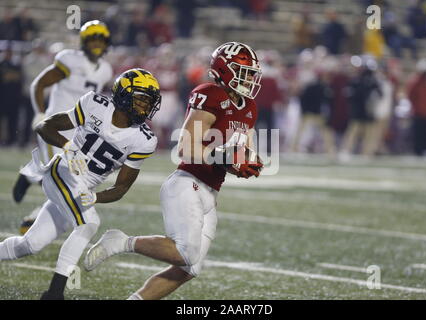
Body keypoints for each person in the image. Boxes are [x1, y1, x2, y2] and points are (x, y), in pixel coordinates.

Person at [84, 42, 264, 300]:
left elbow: (244, 151)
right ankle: (122, 241)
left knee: (190, 268)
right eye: (243, 71)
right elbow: (186, 148)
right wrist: (226, 158)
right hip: (187, 182)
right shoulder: (210, 94)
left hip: (210, 193)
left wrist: (248, 163)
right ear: (224, 70)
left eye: (251, 73)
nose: (249, 79)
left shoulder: (249, 107)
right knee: (186, 254)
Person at [0, 68, 162, 300]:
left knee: (30, 245)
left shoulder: (144, 140)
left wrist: (97, 197)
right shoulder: (95, 104)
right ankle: (54, 293)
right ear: (124, 95)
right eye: (141, 100)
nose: (145, 107)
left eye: (149, 102)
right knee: (89, 222)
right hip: (61, 171)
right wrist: (68, 147)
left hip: (81, 189)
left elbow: (121, 188)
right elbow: (43, 126)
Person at [12, 20, 113, 234]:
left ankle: (31, 177)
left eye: (100, 39)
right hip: (55, 127)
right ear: (84, 41)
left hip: (80, 131)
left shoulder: (106, 69)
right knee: (60, 177)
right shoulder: (70, 60)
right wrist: (39, 113)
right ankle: (34, 218)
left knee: (75, 178)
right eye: (92, 39)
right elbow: (39, 84)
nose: (97, 44)